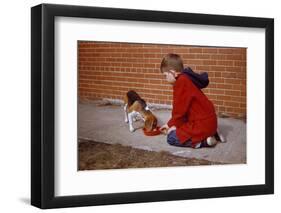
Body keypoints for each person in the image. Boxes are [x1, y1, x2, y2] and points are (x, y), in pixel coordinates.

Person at [159, 53, 218, 148]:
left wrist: (171, 127)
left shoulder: (181, 82)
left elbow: (179, 112)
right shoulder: (187, 78)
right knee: (178, 127)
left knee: (171, 137)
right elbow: (184, 113)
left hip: (202, 125)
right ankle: (213, 134)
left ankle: (204, 142)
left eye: (165, 75)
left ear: (172, 72)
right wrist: (169, 124)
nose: (165, 79)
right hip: (211, 123)